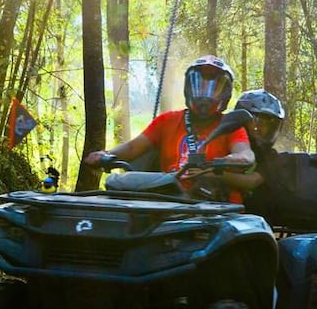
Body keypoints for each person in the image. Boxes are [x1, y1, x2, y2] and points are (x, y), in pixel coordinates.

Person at [83, 55, 254, 202]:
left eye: (213, 89)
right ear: (188, 87)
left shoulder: (230, 125)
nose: (205, 94)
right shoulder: (167, 121)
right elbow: (132, 147)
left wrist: (230, 160)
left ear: (226, 93)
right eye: (199, 86)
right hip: (169, 201)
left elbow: (245, 153)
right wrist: (106, 155)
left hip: (217, 207)